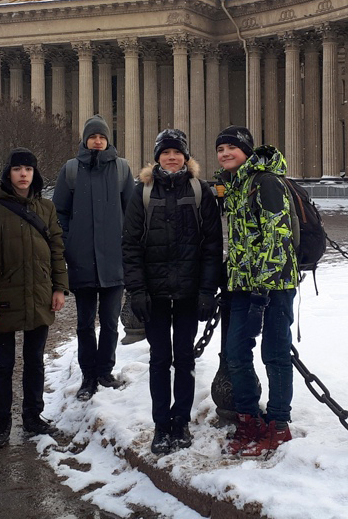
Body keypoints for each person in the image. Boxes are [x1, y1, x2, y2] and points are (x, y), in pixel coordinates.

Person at [122, 129, 222, 455]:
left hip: (189, 294)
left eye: (177, 152)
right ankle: (161, 425)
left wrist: (207, 290)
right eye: (166, 152)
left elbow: (211, 246)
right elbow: (131, 247)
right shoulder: (143, 193)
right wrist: (137, 291)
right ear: (158, 157)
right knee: (159, 360)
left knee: (184, 360)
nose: (171, 157)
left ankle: (181, 422)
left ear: (185, 156)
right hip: (155, 295)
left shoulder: (200, 191)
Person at [0, 148, 68, 449]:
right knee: (3, 365)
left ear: (34, 173)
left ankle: (33, 417)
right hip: (4, 298)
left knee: (34, 362)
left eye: (28, 168)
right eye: (17, 168)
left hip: (39, 294)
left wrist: (59, 288)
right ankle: (1, 424)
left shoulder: (46, 208)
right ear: (8, 173)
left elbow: (57, 250)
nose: (23, 174)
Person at [215, 125, 298, 457]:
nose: (224, 154)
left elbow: (277, 238)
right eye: (220, 149)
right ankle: (249, 420)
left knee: (275, 355)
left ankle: (278, 425)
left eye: (231, 148)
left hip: (274, 286)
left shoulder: (265, 181)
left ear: (246, 151)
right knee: (235, 355)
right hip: (242, 285)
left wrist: (262, 289)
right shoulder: (234, 186)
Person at [52, 114, 135, 401]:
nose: (97, 140)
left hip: (113, 260)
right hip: (83, 259)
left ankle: (104, 371)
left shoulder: (122, 169)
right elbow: (59, 211)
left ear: (107, 140)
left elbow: (133, 212)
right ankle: (88, 375)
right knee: (85, 324)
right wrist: (68, 240)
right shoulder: (71, 170)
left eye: (101, 136)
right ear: (85, 140)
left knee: (110, 322)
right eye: (92, 136)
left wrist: (128, 243)